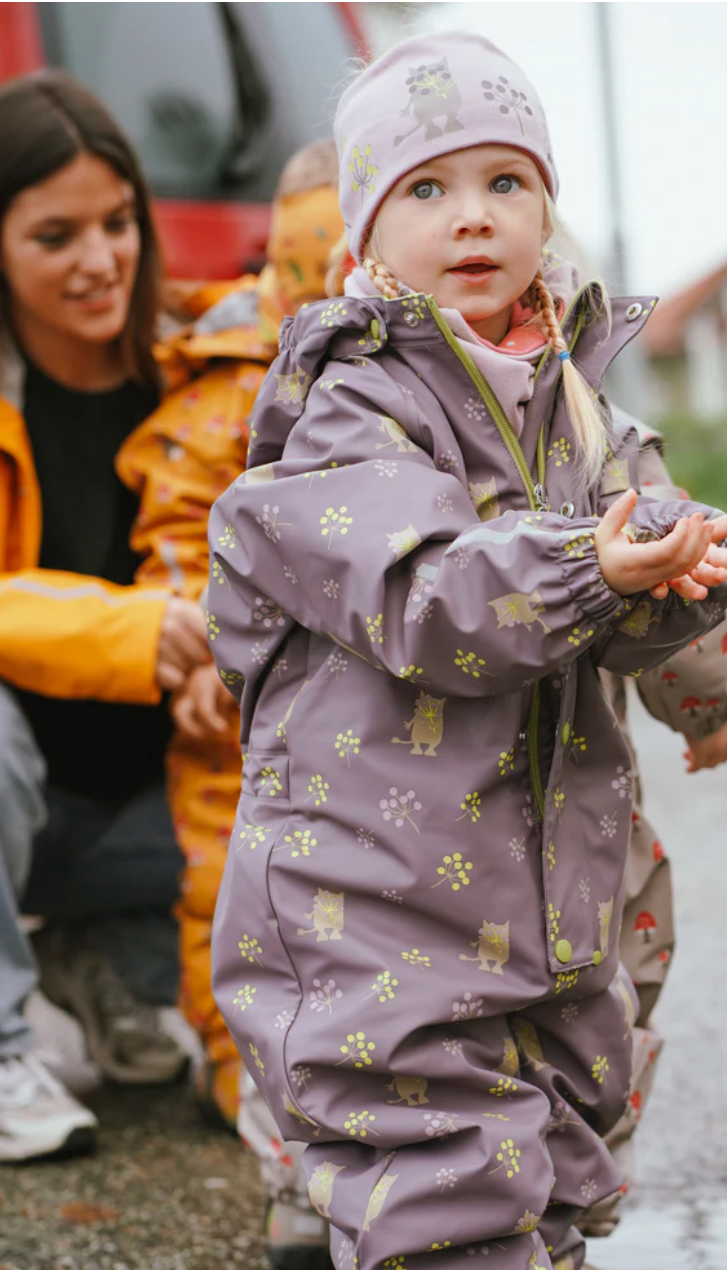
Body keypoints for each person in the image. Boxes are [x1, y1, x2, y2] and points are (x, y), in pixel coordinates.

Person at [206, 32, 727, 1270]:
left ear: (549, 211)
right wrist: (595, 567)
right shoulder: (351, 406)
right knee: (441, 1180)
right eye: (428, 188)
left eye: (508, 183)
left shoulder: (586, 403)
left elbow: (647, 545)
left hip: (549, 891)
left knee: (557, 1156)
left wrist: (690, 623)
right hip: (381, 891)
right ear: (364, 235)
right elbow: (428, 594)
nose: (474, 218)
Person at [116, 139, 348, 1135]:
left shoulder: (446, 376)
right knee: (227, 879)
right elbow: (176, 530)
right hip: (241, 712)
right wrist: (202, 648)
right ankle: (242, 1064)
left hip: (378, 704)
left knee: (373, 898)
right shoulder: (224, 389)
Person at [0, 72, 200, 1162]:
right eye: (55, 234)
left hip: (155, 802)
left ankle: (111, 957)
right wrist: (129, 630)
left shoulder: (207, 368)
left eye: (119, 223)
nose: (100, 260)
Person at [578, 417, 727, 1238]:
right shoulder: (582, 413)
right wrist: (707, 706)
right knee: (600, 981)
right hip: (566, 791)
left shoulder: (324, 395)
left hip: (370, 806)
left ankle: (311, 1196)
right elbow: (678, 562)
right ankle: (571, 1206)